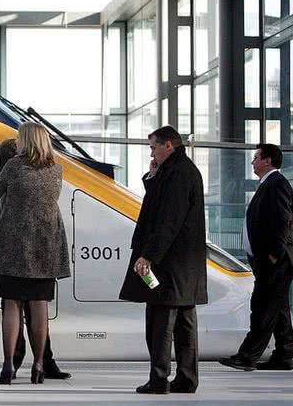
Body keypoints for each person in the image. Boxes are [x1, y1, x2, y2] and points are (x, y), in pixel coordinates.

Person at [118, 125, 207, 395]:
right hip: (184, 264)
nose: (152, 152)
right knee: (184, 323)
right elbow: (159, 203)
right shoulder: (178, 170)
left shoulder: (178, 173)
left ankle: (158, 378)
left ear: (169, 145)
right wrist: (154, 174)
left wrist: (149, 256)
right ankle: (186, 378)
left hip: (170, 262)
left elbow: (167, 220)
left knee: (160, 321)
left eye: (154, 146)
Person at [0, 122, 70, 385]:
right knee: (40, 306)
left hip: (13, 244)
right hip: (46, 245)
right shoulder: (56, 170)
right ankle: (38, 365)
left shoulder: (12, 167)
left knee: (11, 304)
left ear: (27, 141)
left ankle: (8, 366)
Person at [219, 144, 293, 371]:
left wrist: (274, 255)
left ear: (268, 161)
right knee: (278, 307)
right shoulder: (269, 184)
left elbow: (281, 221)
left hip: (276, 261)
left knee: (263, 307)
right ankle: (284, 355)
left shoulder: (277, 184)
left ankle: (247, 356)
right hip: (270, 260)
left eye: (255, 157)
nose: (252, 162)